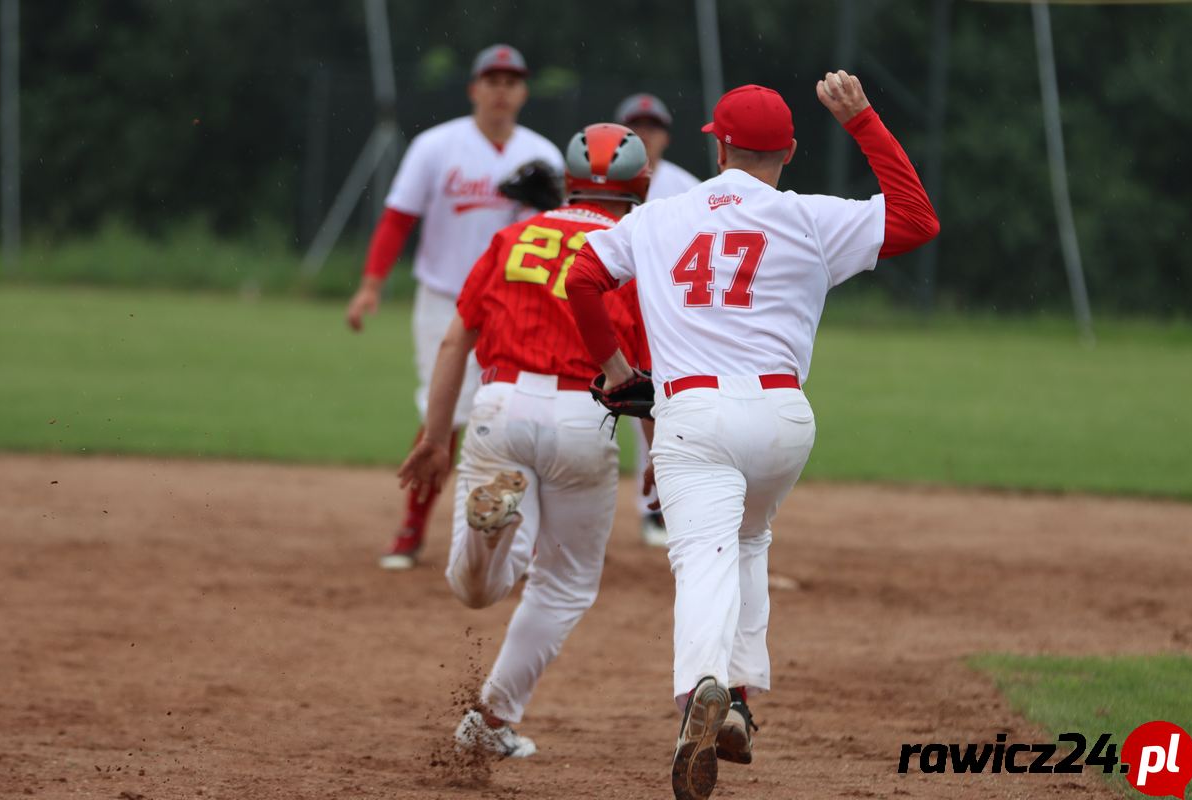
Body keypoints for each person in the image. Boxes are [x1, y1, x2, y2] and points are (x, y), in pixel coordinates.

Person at [567, 74, 940, 800]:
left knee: (702, 557)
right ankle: (737, 700)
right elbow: (918, 221)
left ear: (720, 148)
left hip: (697, 416)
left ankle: (698, 695)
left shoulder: (662, 216)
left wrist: (615, 371)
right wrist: (863, 122)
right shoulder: (809, 218)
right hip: (782, 419)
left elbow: (581, 276)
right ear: (791, 150)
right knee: (746, 540)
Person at [397, 123, 653, 757]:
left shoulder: (512, 237)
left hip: (499, 406)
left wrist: (435, 437)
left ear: (568, 184)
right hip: (582, 419)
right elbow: (649, 375)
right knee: (562, 584)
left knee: (475, 590)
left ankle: (492, 535)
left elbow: (456, 341)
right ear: (640, 188)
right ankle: (489, 719)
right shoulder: (637, 251)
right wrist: (661, 453)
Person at [344, 44, 565, 571]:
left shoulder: (544, 154)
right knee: (442, 412)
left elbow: (561, 233)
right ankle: (413, 527)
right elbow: (398, 217)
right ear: (473, 88)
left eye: (511, 81)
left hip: (519, 305)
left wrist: (549, 204)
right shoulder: (435, 146)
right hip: (445, 296)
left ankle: (526, 537)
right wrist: (370, 285)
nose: (501, 90)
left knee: (520, 411)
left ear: (523, 91)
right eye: (492, 79)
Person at [613, 92, 701, 548]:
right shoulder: (603, 180)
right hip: (608, 305)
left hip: (662, 311)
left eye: (653, 126)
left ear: (666, 135)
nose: (645, 134)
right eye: (636, 126)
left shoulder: (686, 185)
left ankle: (657, 510)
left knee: (658, 408)